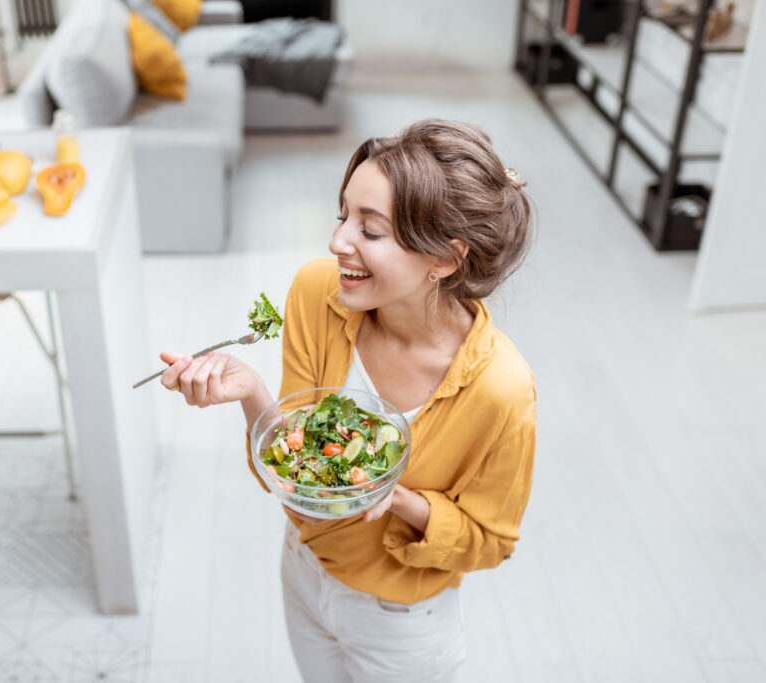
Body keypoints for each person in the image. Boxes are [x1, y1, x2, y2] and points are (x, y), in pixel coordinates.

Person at [159, 119, 536, 682]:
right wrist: (251, 392)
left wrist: (399, 501)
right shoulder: (318, 292)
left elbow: (491, 543)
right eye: (343, 216)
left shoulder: (500, 390)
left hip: (400, 619)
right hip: (303, 571)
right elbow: (291, 473)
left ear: (446, 260)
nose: (338, 242)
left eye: (371, 230)